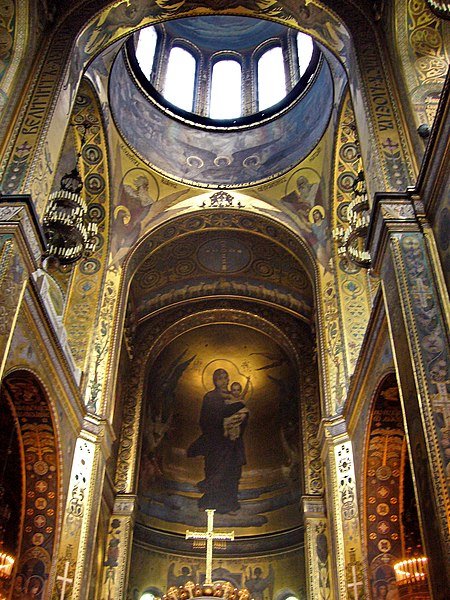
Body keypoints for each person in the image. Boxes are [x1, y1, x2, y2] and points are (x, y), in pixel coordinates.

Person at [187, 368, 249, 514]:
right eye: (220, 378)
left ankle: (229, 505)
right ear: (215, 381)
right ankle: (209, 502)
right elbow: (205, 420)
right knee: (214, 472)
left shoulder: (233, 396)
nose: (224, 381)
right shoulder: (210, 397)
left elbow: (244, 417)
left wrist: (239, 420)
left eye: (226, 378)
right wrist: (224, 420)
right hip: (215, 443)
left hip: (232, 443)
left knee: (231, 473)